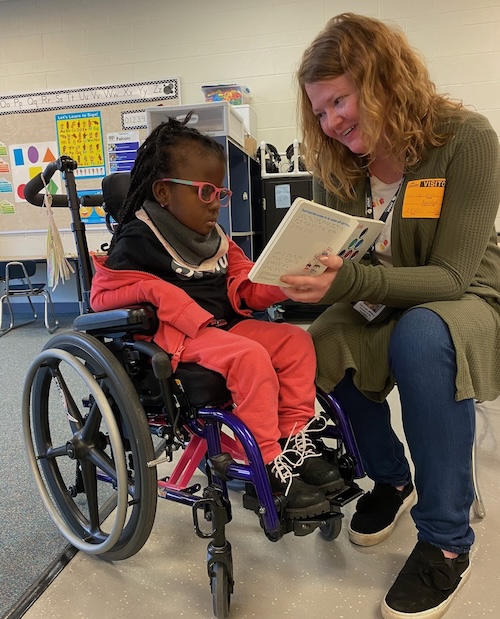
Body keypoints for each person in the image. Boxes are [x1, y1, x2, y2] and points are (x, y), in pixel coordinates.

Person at [281, 12, 500, 619]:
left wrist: (345, 279)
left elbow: (452, 276)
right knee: (316, 341)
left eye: (341, 100)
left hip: (468, 298)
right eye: (320, 111)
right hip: (377, 300)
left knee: (425, 337)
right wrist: (295, 285)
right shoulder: (339, 160)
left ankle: (447, 543)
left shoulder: (467, 138)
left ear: (383, 78)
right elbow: (341, 271)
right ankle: (390, 476)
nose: (332, 122)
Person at [90, 115, 344, 520]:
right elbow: (103, 294)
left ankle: (294, 438)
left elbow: (245, 286)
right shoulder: (137, 238)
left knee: (297, 341)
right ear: (164, 193)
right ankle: (265, 463)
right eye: (205, 191)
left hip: (224, 326)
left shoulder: (217, 239)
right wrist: (163, 295)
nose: (214, 202)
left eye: (219, 192)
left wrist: (285, 282)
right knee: (250, 358)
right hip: (178, 337)